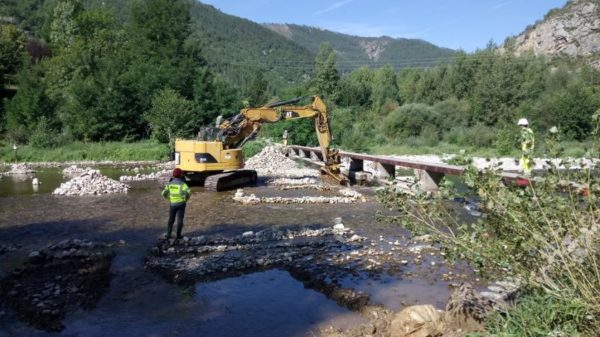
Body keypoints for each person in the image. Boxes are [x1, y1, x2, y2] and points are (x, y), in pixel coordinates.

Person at [161, 168, 191, 240]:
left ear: (173, 175)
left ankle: (168, 235)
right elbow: (188, 192)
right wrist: (185, 199)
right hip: (181, 204)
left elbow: (163, 193)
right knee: (180, 220)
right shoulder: (183, 184)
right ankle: (178, 235)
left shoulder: (169, 184)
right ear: (180, 175)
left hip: (172, 204)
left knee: (171, 219)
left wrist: (169, 199)